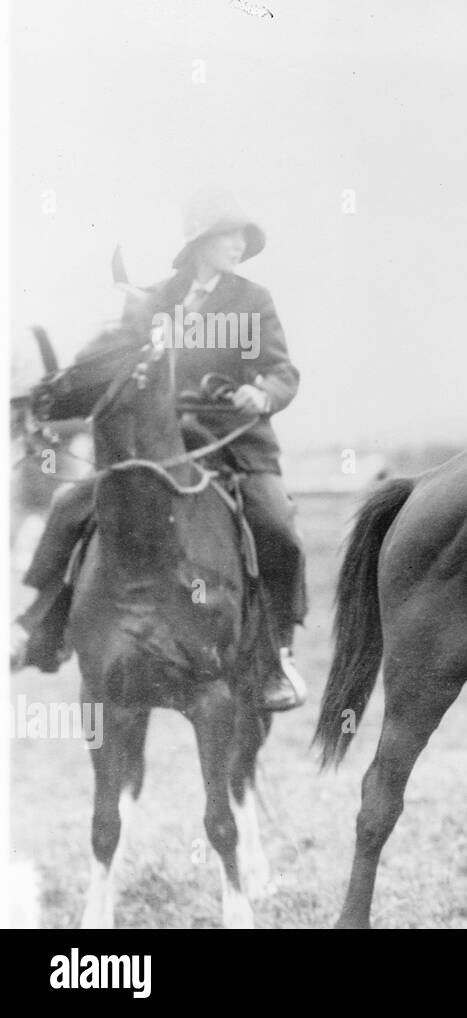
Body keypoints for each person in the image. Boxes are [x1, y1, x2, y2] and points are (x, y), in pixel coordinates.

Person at [11, 188, 308, 712]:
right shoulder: (158, 299)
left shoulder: (253, 299)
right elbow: (115, 354)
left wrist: (261, 392)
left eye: (243, 236)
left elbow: (283, 370)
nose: (238, 244)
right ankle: (40, 624)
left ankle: (275, 652)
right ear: (201, 243)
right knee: (70, 504)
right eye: (228, 235)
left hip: (234, 440)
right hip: (159, 440)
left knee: (279, 526)